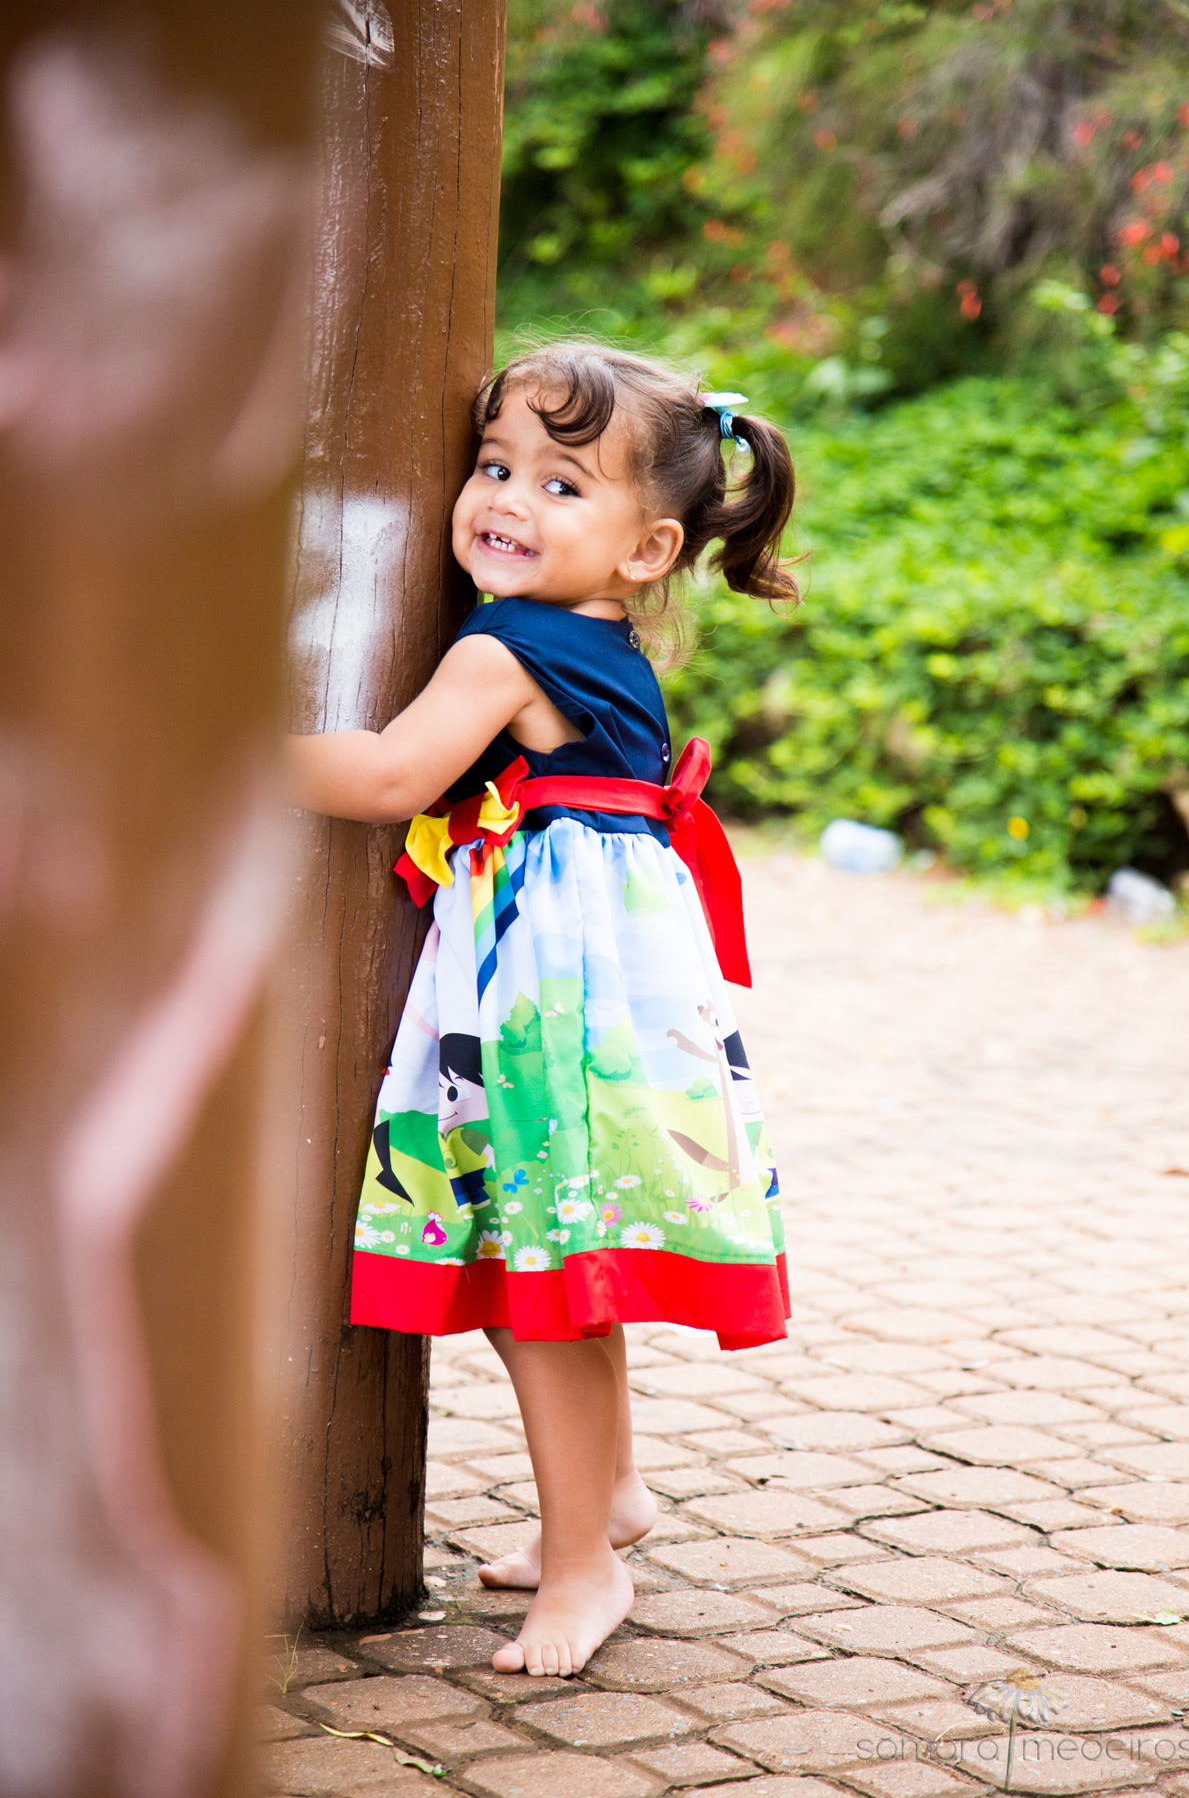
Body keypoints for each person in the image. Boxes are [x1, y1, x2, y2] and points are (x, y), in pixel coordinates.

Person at [288, 343, 796, 1678]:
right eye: (496, 464)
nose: (504, 498)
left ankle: (585, 1566)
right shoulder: (594, 638)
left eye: (561, 485)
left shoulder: (509, 646)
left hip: (551, 1004)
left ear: (647, 549)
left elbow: (392, 770)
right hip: (599, 992)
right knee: (561, 1260)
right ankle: (609, 1497)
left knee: (542, 1284)